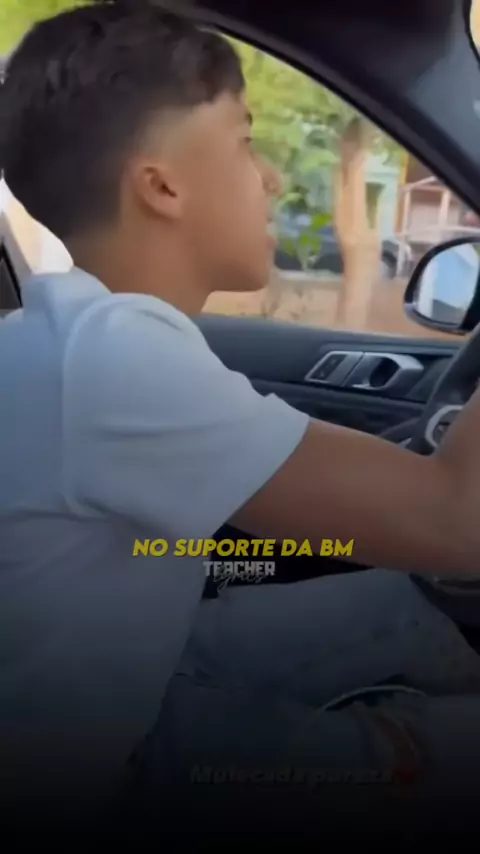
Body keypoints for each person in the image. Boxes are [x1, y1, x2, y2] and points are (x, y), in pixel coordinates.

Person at [2, 0, 480, 832]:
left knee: (412, 607)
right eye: (245, 141)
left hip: (129, 679)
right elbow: (460, 523)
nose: (272, 179)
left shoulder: (68, 334)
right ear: (162, 185)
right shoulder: (113, 354)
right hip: (89, 775)